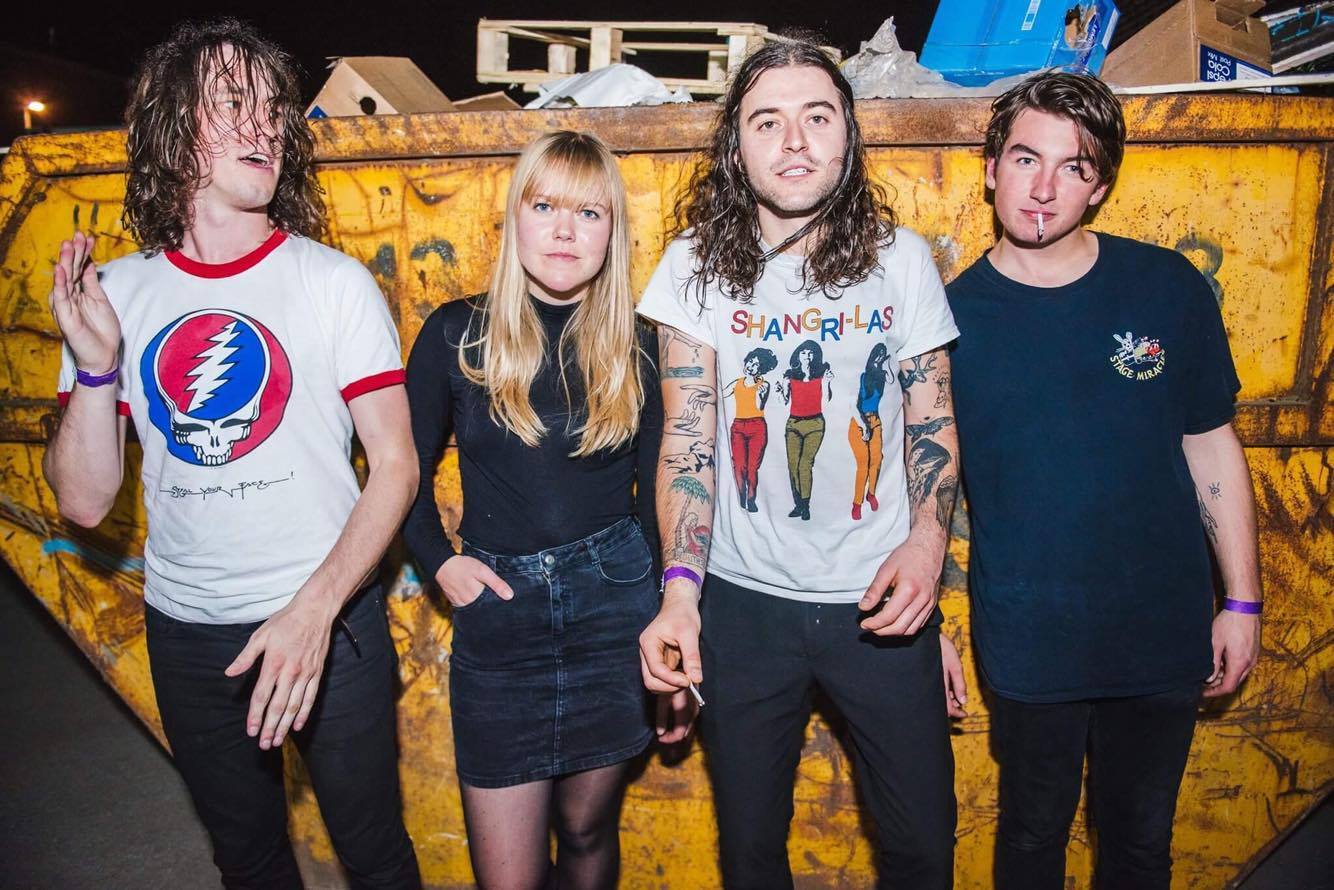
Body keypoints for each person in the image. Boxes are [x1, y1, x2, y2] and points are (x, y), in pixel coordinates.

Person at [43, 19, 421, 890]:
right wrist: (96, 367)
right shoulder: (116, 294)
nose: (266, 126)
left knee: (373, 852)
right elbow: (85, 502)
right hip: (188, 633)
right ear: (173, 126)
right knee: (245, 856)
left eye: (274, 108)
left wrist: (311, 613)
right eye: (231, 103)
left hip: (331, 621)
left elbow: (397, 466)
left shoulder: (332, 282)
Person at [635, 38, 967, 890]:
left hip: (880, 603)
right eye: (767, 121)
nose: (793, 141)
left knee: (924, 849)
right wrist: (680, 593)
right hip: (742, 608)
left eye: (817, 117)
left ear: (848, 135)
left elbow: (932, 420)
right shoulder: (692, 269)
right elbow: (687, 440)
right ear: (735, 147)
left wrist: (927, 549)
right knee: (751, 854)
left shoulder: (902, 259)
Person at [946, 72, 1262, 890]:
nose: (1043, 187)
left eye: (1074, 167)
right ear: (991, 167)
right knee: (1030, 838)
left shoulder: (1166, 287)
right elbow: (928, 487)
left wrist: (1242, 601)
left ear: (1101, 187)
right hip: (1030, 638)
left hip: (1161, 630)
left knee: (1139, 847)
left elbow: (1211, 444)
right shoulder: (947, 320)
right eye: (1026, 158)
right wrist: (929, 626)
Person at [402, 130, 667, 890]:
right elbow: (399, 472)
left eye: (588, 212)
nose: (563, 231)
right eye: (545, 206)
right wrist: (440, 564)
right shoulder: (455, 333)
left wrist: (665, 622)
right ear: (514, 216)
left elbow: (660, 497)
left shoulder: (641, 345)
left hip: (614, 609)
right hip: (501, 615)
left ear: (612, 232)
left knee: (586, 831)